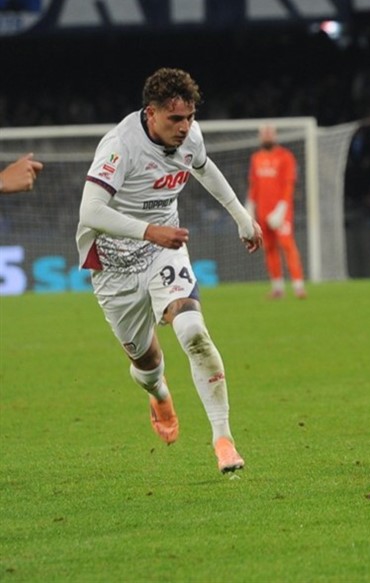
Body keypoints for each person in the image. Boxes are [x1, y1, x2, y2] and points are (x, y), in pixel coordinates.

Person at [76, 67, 263, 474]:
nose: (185, 127)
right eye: (175, 118)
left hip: (165, 250)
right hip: (114, 265)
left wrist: (241, 216)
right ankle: (159, 393)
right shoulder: (120, 146)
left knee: (193, 331)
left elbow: (204, 167)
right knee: (145, 364)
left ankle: (223, 439)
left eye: (190, 118)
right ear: (151, 113)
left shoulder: (190, 136)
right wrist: (148, 230)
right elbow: (90, 211)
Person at [246, 124, 306, 299]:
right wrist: (250, 206)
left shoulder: (286, 157)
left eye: (269, 133)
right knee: (269, 247)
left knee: (287, 244)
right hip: (262, 211)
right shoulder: (256, 158)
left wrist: (281, 210)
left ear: (275, 136)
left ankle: (298, 286)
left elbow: (289, 185)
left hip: (281, 211)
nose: (267, 136)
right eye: (264, 134)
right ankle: (278, 287)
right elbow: (253, 185)